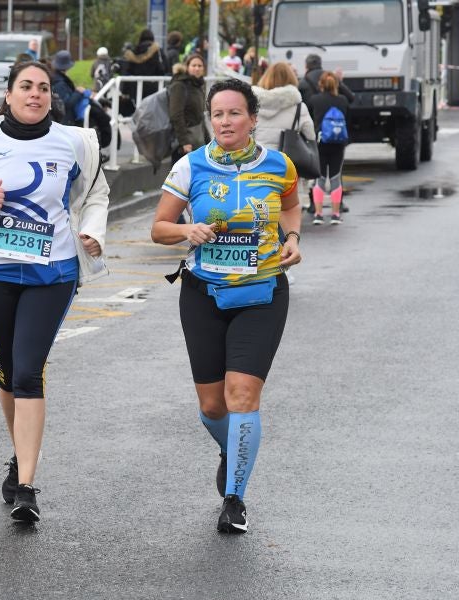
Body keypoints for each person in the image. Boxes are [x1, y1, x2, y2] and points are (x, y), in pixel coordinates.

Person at [0, 61, 110, 523]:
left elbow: (96, 194)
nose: (35, 94)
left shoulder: (75, 142)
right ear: (8, 95)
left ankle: (27, 486)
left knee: (29, 372)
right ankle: (20, 455)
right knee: (9, 372)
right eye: (26, 86)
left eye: (44, 88)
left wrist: (93, 232)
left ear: (52, 96)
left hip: (52, 273)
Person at [150, 78, 302, 534]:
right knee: (214, 406)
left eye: (235, 113)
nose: (225, 121)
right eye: (218, 114)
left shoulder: (279, 165)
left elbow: (291, 206)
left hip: (262, 293)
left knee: (242, 395)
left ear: (253, 119)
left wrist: (293, 237)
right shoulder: (191, 166)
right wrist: (186, 231)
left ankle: (234, 499)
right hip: (203, 294)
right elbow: (159, 227)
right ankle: (230, 447)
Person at [307, 71, 350, 225]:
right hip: (338, 143)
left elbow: (309, 118)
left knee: (320, 178)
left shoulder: (314, 100)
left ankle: (318, 214)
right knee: (335, 178)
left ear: (321, 84)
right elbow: (350, 106)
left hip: (320, 143)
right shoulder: (342, 100)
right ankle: (335, 214)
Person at [51, 50, 112, 151]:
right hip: (67, 121)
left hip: (66, 120)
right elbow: (67, 103)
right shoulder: (60, 82)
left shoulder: (58, 79)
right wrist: (79, 92)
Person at [251, 62, 314, 152]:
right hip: (286, 157)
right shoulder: (299, 107)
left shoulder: (251, 104)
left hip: (257, 156)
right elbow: (310, 136)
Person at [168, 54, 210, 159]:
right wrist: (184, 142)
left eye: (200, 66)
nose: (197, 68)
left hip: (197, 137)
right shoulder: (180, 85)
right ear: (187, 67)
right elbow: (176, 115)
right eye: (193, 65)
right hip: (183, 141)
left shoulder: (198, 84)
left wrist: (207, 139)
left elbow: (199, 115)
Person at [121, 29, 165, 102]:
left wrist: (124, 90)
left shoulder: (134, 51)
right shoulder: (158, 51)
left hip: (137, 88)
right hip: (155, 86)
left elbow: (128, 70)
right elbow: (164, 68)